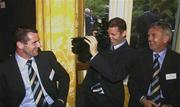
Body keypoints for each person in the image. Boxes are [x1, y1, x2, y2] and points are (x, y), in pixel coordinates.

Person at [0, 26, 70, 107]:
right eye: (34, 42)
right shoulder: (4, 69)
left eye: (38, 41)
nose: (39, 45)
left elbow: (64, 77)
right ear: (20, 45)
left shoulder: (47, 58)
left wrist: (61, 100)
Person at [76, 17, 137, 107]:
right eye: (109, 33)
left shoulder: (130, 53)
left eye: (113, 34)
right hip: (87, 95)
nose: (110, 37)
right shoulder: (104, 43)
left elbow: (114, 75)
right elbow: (82, 59)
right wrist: (87, 43)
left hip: (108, 99)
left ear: (124, 33)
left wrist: (95, 53)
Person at [128, 21, 180, 107]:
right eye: (148, 35)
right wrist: (143, 100)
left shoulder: (177, 60)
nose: (149, 38)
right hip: (141, 102)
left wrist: (172, 105)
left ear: (165, 39)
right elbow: (132, 83)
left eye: (153, 35)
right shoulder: (139, 56)